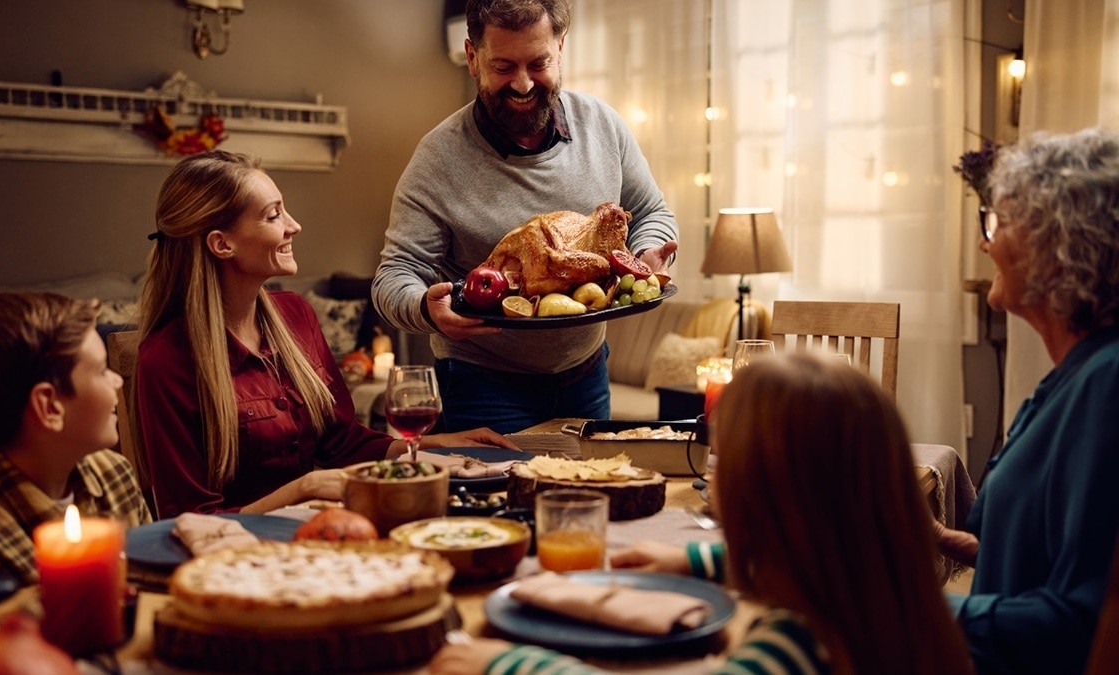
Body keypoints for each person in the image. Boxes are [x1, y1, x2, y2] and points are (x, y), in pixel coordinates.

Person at [430, 353, 973, 675]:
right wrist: (694, 560)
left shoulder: (800, 643)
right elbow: (832, 547)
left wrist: (505, 665)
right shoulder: (881, 587)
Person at [137, 150, 516, 518]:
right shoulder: (166, 361)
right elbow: (190, 519)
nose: (293, 225)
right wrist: (306, 488)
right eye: (273, 215)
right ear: (222, 244)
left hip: (324, 529)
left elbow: (342, 443)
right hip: (237, 560)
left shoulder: (296, 315)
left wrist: (437, 445)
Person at [371, 0, 680, 434]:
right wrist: (425, 307)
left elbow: (650, 211)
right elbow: (395, 274)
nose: (521, 84)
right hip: (482, 383)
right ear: (472, 57)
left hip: (587, 373)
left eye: (539, 63)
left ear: (561, 48)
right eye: (502, 66)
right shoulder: (438, 158)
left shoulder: (603, 127)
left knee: (585, 494)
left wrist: (647, 254)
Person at [933, 128, 1119, 674]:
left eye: (996, 223)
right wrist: (942, 539)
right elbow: (1048, 559)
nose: (985, 244)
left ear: (1062, 246)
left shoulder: (1107, 386)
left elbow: (1078, 622)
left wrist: (894, 610)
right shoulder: (1072, 375)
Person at [0, 293, 152, 614]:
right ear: (49, 406)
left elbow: (147, 589)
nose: (116, 381)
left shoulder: (113, 474)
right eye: (101, 371)